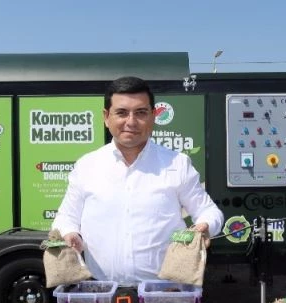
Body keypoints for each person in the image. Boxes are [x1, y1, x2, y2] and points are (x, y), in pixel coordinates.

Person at [52, 76, 223, 288]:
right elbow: (66, 217)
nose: (131, 122)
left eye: (141, 113)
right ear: (106, 117)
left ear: (153, 116)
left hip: (164, 292)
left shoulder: (177, 164)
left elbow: (209, 212)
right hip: (101, 291)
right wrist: (69, 233)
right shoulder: (87, 166)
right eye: (121, 113)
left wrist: (205, 226)